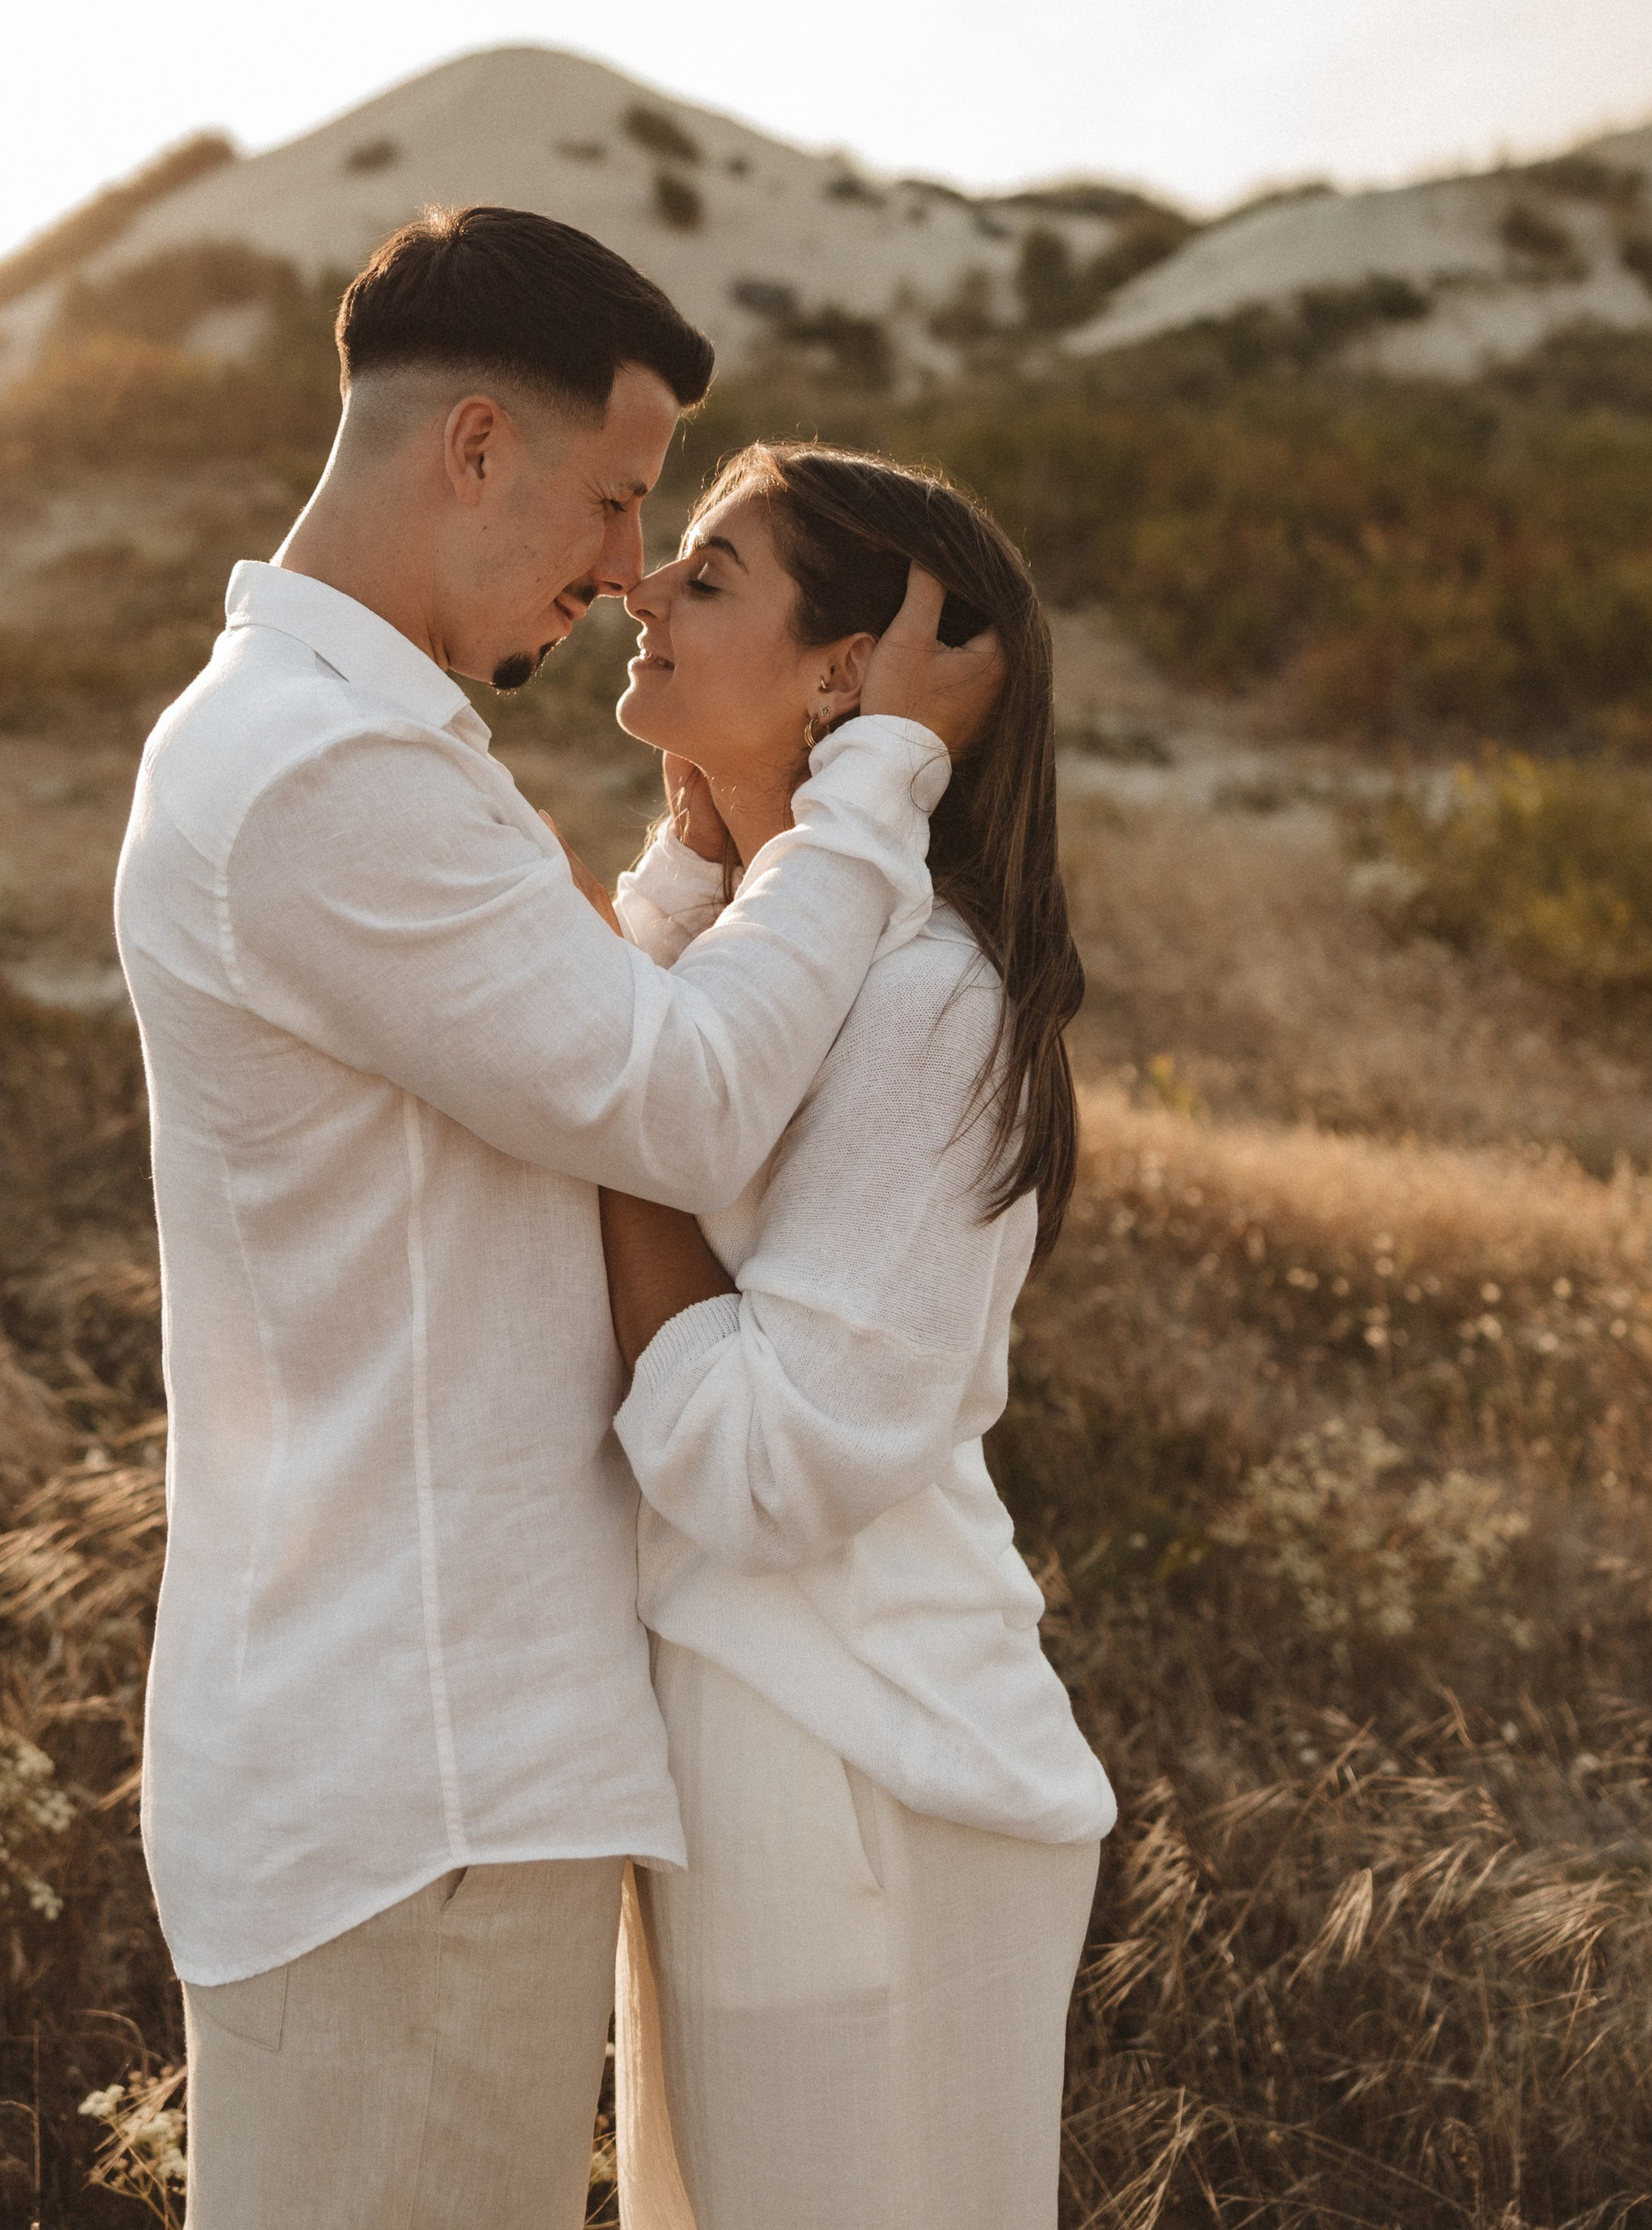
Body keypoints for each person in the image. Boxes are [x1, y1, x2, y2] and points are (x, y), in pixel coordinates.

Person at [111, 208, 1003, 2230]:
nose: (624, 573)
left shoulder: (323, 741)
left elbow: (621, 1047)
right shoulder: (327, 773)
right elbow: (675, 1099)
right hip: (415, 1765)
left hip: (418, 1751)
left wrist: (703, 882)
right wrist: (872, 793)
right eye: (614, 502)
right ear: (477, 450)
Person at [595, 443, 1116, 2230]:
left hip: (860, 1751)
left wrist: (615, 1133)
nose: (644, 589)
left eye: (711, 573)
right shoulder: (756, 955)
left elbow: (770, 1461)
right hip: (741, 1721)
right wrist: (661, 934)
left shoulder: (921, 1000)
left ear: (844, 674)